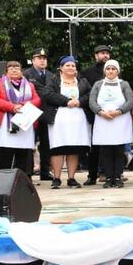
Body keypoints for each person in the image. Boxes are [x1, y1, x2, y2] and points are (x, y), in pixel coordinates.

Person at [43, 56, 92, 189]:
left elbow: (90, 94)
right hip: (59, 119)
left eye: (73, 66)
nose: (71, 68)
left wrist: (80, 101)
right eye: (67, 65)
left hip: (78, 119)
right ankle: (57, 178)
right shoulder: (54, 80)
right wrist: (66, 101)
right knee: (58, 148)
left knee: (73, 148)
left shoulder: (82, 81)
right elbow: (48, 94)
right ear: (61, 68)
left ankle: (71, 178)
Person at [0, 61, 42, 174]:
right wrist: (12, 107)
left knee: (24, 153)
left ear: (21, 71)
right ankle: (3, 178)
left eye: (17, 67)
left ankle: (24, 179)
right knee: (6, 152)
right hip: (5, 123)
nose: (14, 70)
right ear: (6, 71)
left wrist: (22, 106)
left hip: (24, 122)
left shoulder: (29, 85)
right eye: (10, 68)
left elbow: (37, 100)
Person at [89, 59, 133, 188]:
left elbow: (130, 101)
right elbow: (92, 101)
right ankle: (108, 177)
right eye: (108, 69)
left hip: (120, 121)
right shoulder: (98, 84)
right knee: (105, 151)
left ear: (117, 71)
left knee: (119, 151)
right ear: (105, 71)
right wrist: (100, 112)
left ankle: (118, 176)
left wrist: (118, 111)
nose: (110, 71)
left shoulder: (124, 84)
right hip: (102, 120)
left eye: (113, 69)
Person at [79, 44, 111, 186]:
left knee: (110, 145)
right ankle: (92, 175)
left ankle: (110, 173)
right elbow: (85, 93)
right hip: (94, 114)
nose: (105, 56)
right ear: (96, 56)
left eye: (107, 53)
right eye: (102, 53)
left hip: (111, 115)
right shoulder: (87, 72)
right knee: (94, 147)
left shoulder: (113, 70)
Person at [24, 48, 53, 181]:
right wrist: (47, 92)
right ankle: (28, 171)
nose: (42, 61)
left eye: (44, 58)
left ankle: (45, 171)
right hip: (31, 111)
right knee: (29, 142)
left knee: (46, 143)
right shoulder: (26, 74)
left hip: (46, 112)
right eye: (39, 58)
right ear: (33, 60)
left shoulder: (51, 75)